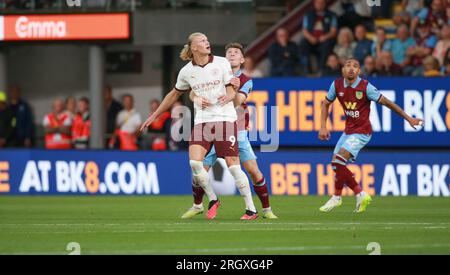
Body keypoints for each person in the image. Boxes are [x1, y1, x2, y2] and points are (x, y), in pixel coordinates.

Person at [140, 32, 258, 220]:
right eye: (202, 40)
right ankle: (212, 199)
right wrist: (155, 114)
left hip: (224, 119)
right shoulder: (186, 71)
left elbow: (230, 85)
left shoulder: (221, 62)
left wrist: (229, 94)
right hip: (202, 122)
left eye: (207, 40)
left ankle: (251, 209)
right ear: (194, 47)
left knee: (233, 167)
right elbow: (173, 94)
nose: (207, 42)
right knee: (195, 164)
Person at [183, 42, 278, 220]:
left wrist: (230, 90)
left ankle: (266, 210)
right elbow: (192, 91)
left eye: (236, 52)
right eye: (229, 52)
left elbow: (236, 102)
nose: (232, 54)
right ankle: (197, 205)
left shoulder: (245, 80)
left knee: (252, 170)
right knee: (198, 171)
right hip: (210, 127)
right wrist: (195, 97)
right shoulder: (214, 72)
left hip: (237, 130)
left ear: (242, 59)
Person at [318, 58, 423, 213]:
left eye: (355, 66)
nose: (351, 68)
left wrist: (409, 119)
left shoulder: (366, 87)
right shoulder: (336, 85)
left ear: (359, 71)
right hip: (348, 131)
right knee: (335, 164)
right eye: (348, 65)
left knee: (339, 161)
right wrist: (323, 127)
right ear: (343, 70)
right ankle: (340, 197)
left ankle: (353, 194)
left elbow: (388, 103)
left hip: (362, 131)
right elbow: (325, 104)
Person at [299, 0, 337, 73]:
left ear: (324, 4)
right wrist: (310, 38)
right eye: (318, 3)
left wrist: (325, 37)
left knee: (327, 45)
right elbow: (304, 30)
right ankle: (307, 69)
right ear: (315, 4)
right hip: (311, 40)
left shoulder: (332, 15)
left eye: (322, 3)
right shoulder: (308, 14)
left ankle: (321, 70)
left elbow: (333, 31)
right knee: (303, 43)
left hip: (325, 40)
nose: (320, 4)